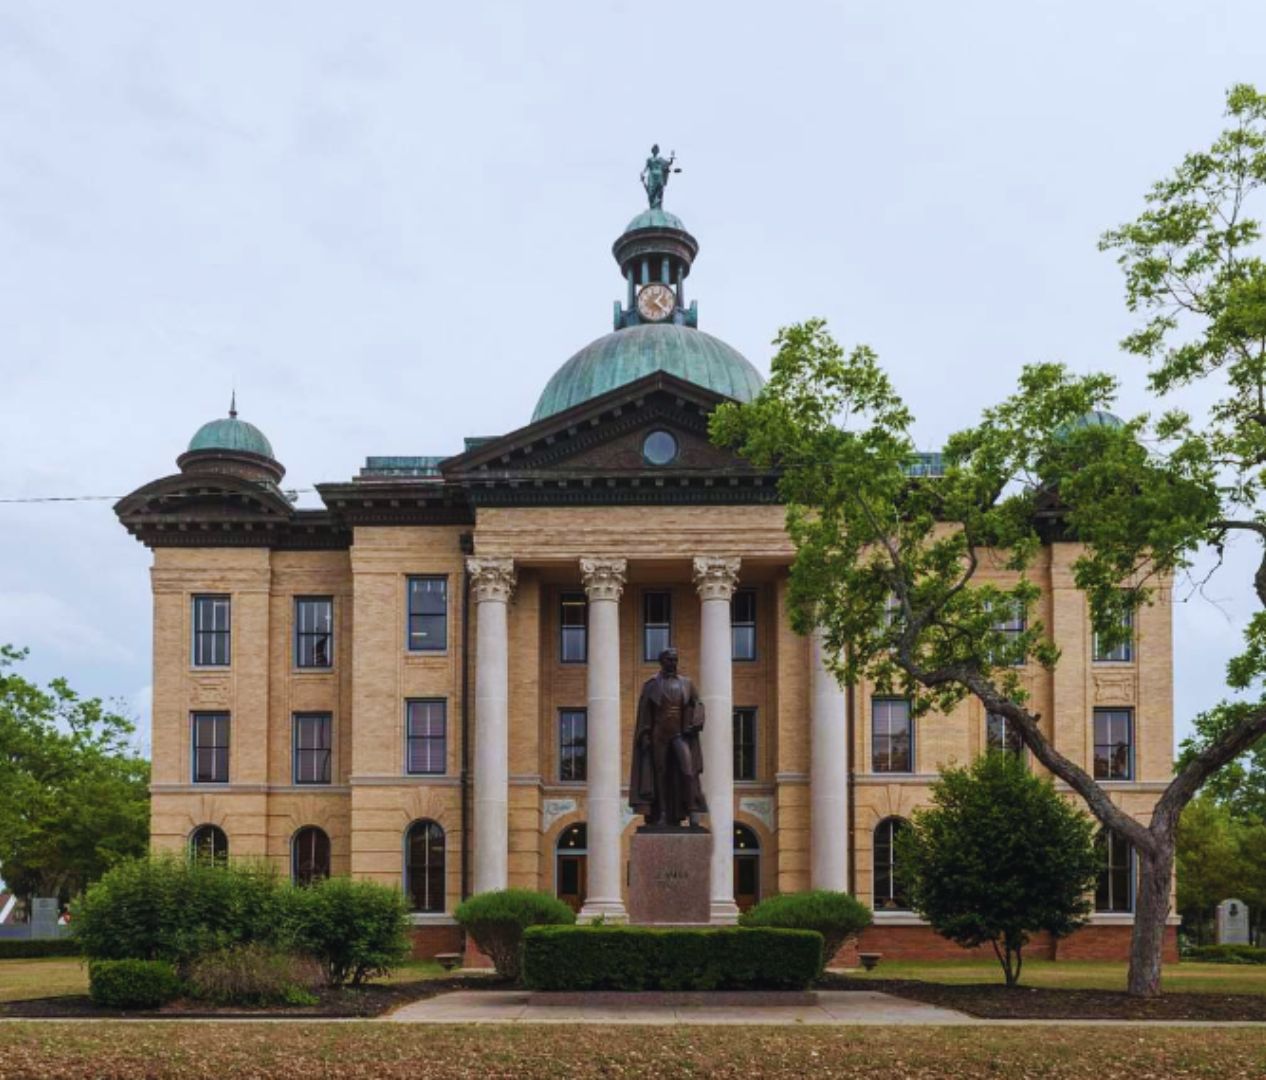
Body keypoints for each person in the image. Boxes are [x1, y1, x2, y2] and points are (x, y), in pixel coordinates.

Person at [629, 647, 708, 827]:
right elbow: (644, 713)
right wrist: (644, 736)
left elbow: (698, 703)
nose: (673, 663)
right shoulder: (650, 685)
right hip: (658, 736)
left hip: (680, 735)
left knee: (688, 771)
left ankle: (692, 809)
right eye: (669, 660)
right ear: (662, 661)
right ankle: (663, 813)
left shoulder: (686, 683)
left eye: (675, 660)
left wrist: (697, 719)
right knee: (660, 776)